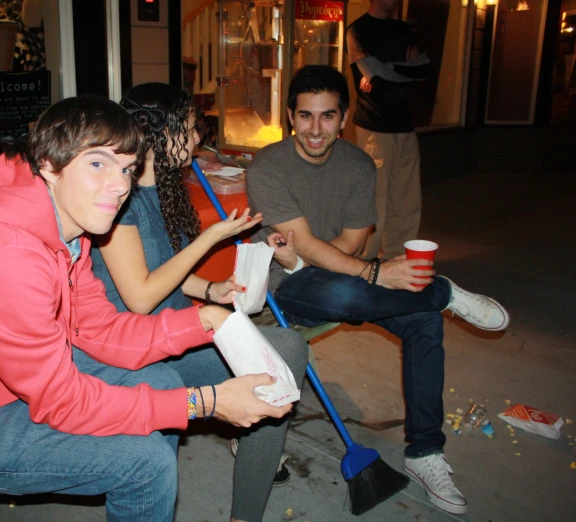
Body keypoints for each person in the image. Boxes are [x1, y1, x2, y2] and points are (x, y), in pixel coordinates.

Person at [0, 95, 293, 522]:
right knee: (146, 462)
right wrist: (206, 402)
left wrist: (204, 319)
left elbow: (101, 331)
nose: (120, 185)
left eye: (127, 168)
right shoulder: (3, 255)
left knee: (160, 379)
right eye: (97, 163)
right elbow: (61, 401)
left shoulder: (64, 225)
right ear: (49, 163)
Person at [245, 65, 511, 516]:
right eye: (305, 116)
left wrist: (339, 267)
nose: (315, 129)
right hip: (281, 283)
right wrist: (371, 274)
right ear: (291, 116)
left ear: (344, 116)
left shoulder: (358, 164)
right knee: (351, 295)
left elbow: (351, 242)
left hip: (324, 272)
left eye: (327, 116)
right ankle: (441, 292)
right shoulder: (268, 166)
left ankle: (425, 452)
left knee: (421, 321)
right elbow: (304, 245)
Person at [90, 82, 309, 522]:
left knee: (287, 349)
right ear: (158, 132)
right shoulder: (117, 202)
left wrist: (213, 290)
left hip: (176, 336)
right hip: (131, 353)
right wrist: (211, 237)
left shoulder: (166, 189)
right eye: (188, 129)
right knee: (167, 408)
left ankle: (245, 514)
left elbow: (168, 270)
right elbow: (141, 295)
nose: (196, 140)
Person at [346, 0, 431, 259]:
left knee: (407, 197)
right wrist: (403, 68)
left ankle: (397, 256)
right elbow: (378, 78)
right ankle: (366, 259)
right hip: (375, 125)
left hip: (405, 122)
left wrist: (388, 67)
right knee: (375, 196)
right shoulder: (358, 30)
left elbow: (426, 69)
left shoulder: (404, 29)